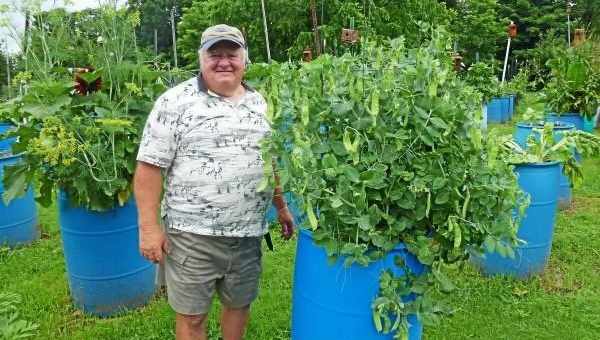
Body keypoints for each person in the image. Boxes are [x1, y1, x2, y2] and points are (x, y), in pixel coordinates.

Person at [134, 24, 294, 340]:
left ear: (244, 59)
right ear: (201, 59)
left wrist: (282, 207)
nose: (224, 62)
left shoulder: (261, 103)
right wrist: (149, 229)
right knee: (193, 318)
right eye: (215, 54)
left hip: (248, 234)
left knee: (239, 306)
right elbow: (149, 168)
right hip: (193, 235)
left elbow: (270, 162)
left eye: (231, 54)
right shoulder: (175, 102)